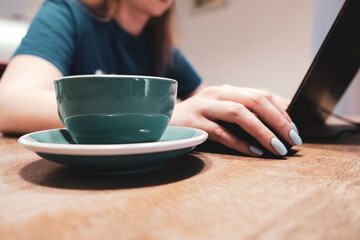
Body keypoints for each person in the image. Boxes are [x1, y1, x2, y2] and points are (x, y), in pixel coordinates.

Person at [0, 0, 302, 157]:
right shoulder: (66, 12)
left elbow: (204, 101)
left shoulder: (163, 47)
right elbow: (8, 103)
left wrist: (248, 106)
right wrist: (162, 117)